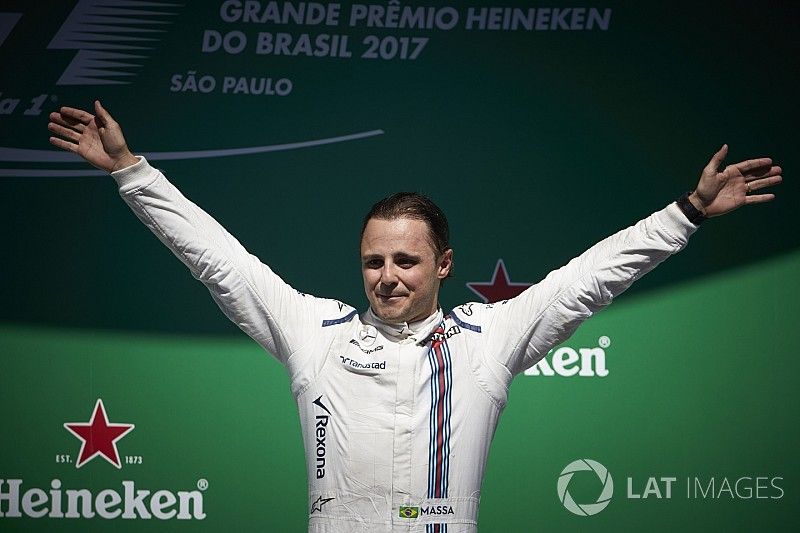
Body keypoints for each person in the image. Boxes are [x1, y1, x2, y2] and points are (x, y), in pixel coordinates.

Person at [48, 101, 782, 532]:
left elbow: (587, 279)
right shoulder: (316, 333)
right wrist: (132, 172)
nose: (388, 276)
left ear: (443, 265)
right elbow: (220, 260)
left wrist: (685, 213)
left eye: (406, 260)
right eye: (374, 261)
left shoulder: (488, 338)